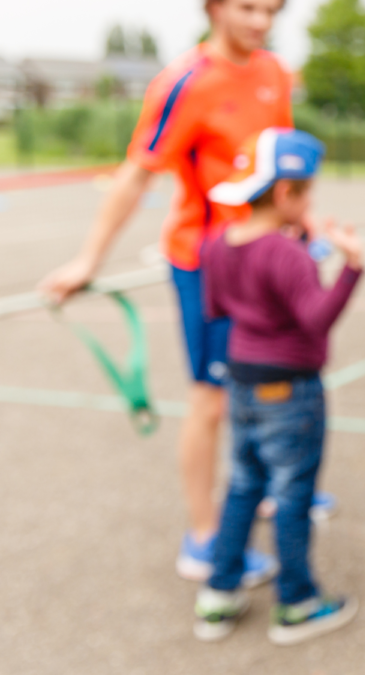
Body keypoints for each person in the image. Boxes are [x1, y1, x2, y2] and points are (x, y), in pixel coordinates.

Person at [34, 0, 343, 585]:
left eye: (272, 10)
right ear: (215, 7)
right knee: (212, 396)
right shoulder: (182, 82)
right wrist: (88, 260)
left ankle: (276, 488)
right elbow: (137, 172)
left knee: (278, 372)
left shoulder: (274, 72)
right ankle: (203, 537)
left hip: (269, 253)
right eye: (249, 7)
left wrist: (305, 225)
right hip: (208, 262)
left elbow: (280, 167)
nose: (261, 21)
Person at [192, 128, 360, 644]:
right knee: (292, 494)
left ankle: (219, 592)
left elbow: (216, 307)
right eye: (306, 191)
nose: (311, 201)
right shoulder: (285, 255)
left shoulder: (220, 243)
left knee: (243, 484)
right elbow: (315, 319)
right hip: (291, 390)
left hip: (242, 381)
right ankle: (297, 601)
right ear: (286, 193)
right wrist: (353, 266)